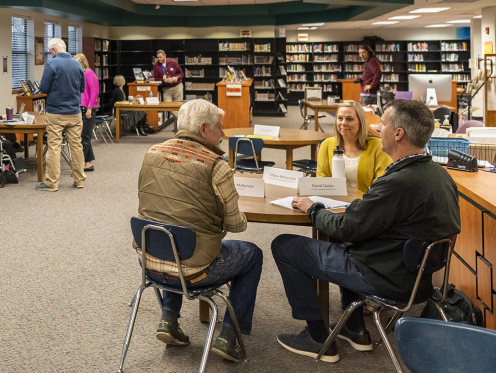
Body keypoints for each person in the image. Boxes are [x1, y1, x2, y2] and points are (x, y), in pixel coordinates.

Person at [272, 99, 460, 363]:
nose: (377, 129)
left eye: (382, 124)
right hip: (419, 278)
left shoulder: (397, 183)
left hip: (383, 275)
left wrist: (313, 208)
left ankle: (316, 337)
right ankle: (354, 327)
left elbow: (347, 228)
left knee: (285, 246)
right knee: (339, 236)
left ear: (398, 133)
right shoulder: (440, 175)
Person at [134, 99, 262, 362]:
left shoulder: (152, 153)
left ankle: (169, 319)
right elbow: (236, 225)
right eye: (219, 127)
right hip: (195, 270)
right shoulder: (216, 166)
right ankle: (230, 337)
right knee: (252, 254)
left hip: (148, 260)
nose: (223, 134)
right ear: (204, 130)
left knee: (171, 232)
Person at [34, 38, 85, 191]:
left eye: (51, 52)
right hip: (75, 112)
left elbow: (43, 88)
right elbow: (82, 88)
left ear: (54, 50)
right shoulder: (77, 64)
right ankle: (79, 180)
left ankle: (52, 183)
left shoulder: (52, 64)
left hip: (55, 112)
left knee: (54, 147)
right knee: (76, 146)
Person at [316, 100, 391, 195]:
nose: (343, 123)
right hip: (334, 202)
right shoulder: (326, 144)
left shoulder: (379, 146)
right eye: (340, 118)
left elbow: (381, 183)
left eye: (349, 119)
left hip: (366, 203)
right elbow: (322, 178)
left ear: (360, 122)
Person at [73, 53, 98, 171]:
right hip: (80, 108)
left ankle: (82, 164)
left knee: (84, 137)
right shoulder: (80, 74)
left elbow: (94, 92)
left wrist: (89, 108)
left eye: (78, 61)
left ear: (83, 61)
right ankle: (88, 163)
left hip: (87, 109)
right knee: (84, 137)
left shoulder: (89, 73)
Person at [152, 49, 184, 132]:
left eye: (160, 57)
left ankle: (177, 128)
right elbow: (156, 78)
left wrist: (176, 78)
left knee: (178, 107)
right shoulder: (155, 66)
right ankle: (183, 122)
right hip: (166, 89)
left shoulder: (172, 62)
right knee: (169, 107)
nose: (159, 59)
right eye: (158, 57)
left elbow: (181, 73)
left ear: (165, 55)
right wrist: (164, 80)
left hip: (177, 86)